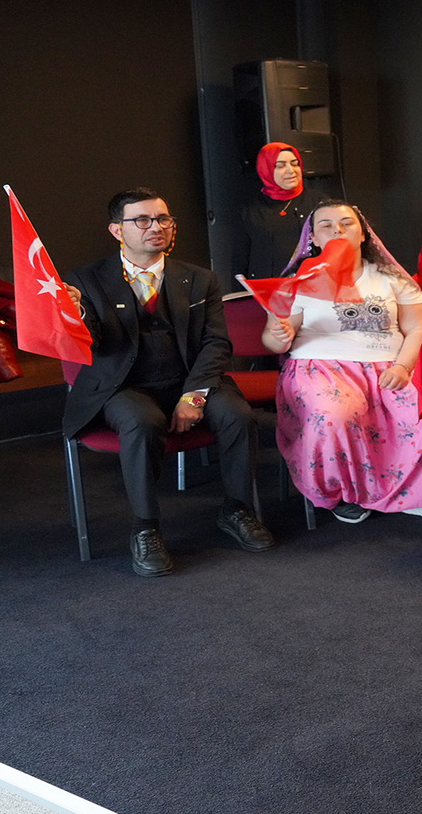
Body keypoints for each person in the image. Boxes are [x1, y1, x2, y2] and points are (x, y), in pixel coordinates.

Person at [61, 188, 274, 577]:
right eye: (142, 220)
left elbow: (216, 343)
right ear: (117, 230)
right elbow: (91, 344)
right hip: (123, 386)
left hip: (188, 379)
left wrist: (193, 395)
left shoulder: (200, 279)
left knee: (237, 415)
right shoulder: (85, 280)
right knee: (142, 422)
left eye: (163, 219)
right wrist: (75, 314)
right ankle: (145, 528)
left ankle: (237, 509)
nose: (155, 227)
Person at [263, 201, 422, 525]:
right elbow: (274, 342)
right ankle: (340, 493)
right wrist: (279, 334)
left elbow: (417, 327)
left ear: (363, 234)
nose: (337, 230)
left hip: (390, 366)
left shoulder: (393, 279)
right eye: (326, 225)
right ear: (313, 238)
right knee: (332, 416)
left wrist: (403, 366)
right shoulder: (298, 282)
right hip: (319, 368)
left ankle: (413, 491)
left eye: (347, 223)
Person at [238, 142, 325, 279]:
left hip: (312, 284)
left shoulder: (318, 202)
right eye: (280, 166)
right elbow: (241, 257)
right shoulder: (252, 209)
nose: (291, 171)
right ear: (266, 169)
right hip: (267, 286)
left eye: (295, 164)